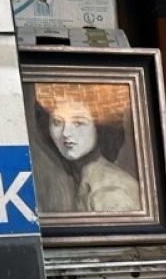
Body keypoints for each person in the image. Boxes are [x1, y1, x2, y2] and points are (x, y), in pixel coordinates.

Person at [32, 85, 142, 214]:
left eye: (78, 122)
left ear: (99, 127)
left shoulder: (111, 192)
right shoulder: (78, 181)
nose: (66, 133)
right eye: (57, 122)